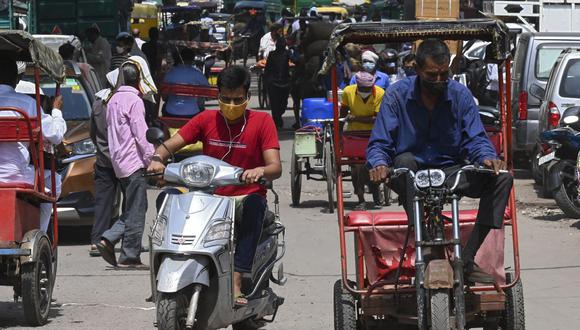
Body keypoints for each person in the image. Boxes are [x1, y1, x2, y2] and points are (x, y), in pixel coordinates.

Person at [366, 39, 513, 283]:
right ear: (417, 69)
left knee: (502, 179)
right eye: (431, 75)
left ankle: (466, 258)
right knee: (403, 162)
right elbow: (380, 142)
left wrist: (487, 158)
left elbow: (475, 137)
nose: (438, 80)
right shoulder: (397, 95)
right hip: (410, 172)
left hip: (451, 172)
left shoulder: (460, 95)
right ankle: (422, 239)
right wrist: (379, 164)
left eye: (444, 74)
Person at [147, 65, 282, 306]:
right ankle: (164, 267)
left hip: (243, 197)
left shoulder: (262, 121)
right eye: (226, 99)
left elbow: (275, 166)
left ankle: (238, 278)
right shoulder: (206, 119)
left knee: (255, 206)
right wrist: (158, 160)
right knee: (167, 197)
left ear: (247, 97)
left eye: (237, 99)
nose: (231, 104)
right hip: (207, 195)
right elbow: (170, 145)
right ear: (217, 96)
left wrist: (259, 171)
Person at [96, 60, 157, 269]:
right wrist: (152, 159)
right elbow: (142, 135)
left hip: (118, 162)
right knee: (137, 209)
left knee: (133, 207)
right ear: (139, 79)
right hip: (133, 161)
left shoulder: (112, 100)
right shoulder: (134, 101)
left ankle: (109, 239)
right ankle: (129, 254)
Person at [0, 59, 67, 234]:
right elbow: (56, 135)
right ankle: (40, 233)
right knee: (55, 182)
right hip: (16, 176)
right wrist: (56, 111)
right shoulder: (27, 103)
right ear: (16, 80)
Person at [341, 71, 385, 210]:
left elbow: (378, 117)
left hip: (373, 134)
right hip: (354, 134)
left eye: (368, 89)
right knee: (356, 168)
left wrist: (356, 118)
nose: (365, 91)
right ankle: (360, 198)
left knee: (374, 163)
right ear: (357, 86)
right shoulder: (348, 92)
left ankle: (375, 186)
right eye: (363, 89)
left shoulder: (379, 93)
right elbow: (343, 112)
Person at [162, 48, 209, 117]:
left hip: (171, 111)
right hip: (192, 111)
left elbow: (164, 97)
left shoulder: (170, 73)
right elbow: (207, 89)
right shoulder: (197, 73)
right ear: (193, 59)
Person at [264, 37, 290, 128]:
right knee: (274, 103)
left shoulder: (287, 54)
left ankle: (278, 116)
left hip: (285, 82)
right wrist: (267, 80)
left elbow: (295, 60)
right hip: (273, 82)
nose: (281, 46)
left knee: (283, 103)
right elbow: (267, 68)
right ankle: (277, 120)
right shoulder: (272, 54)